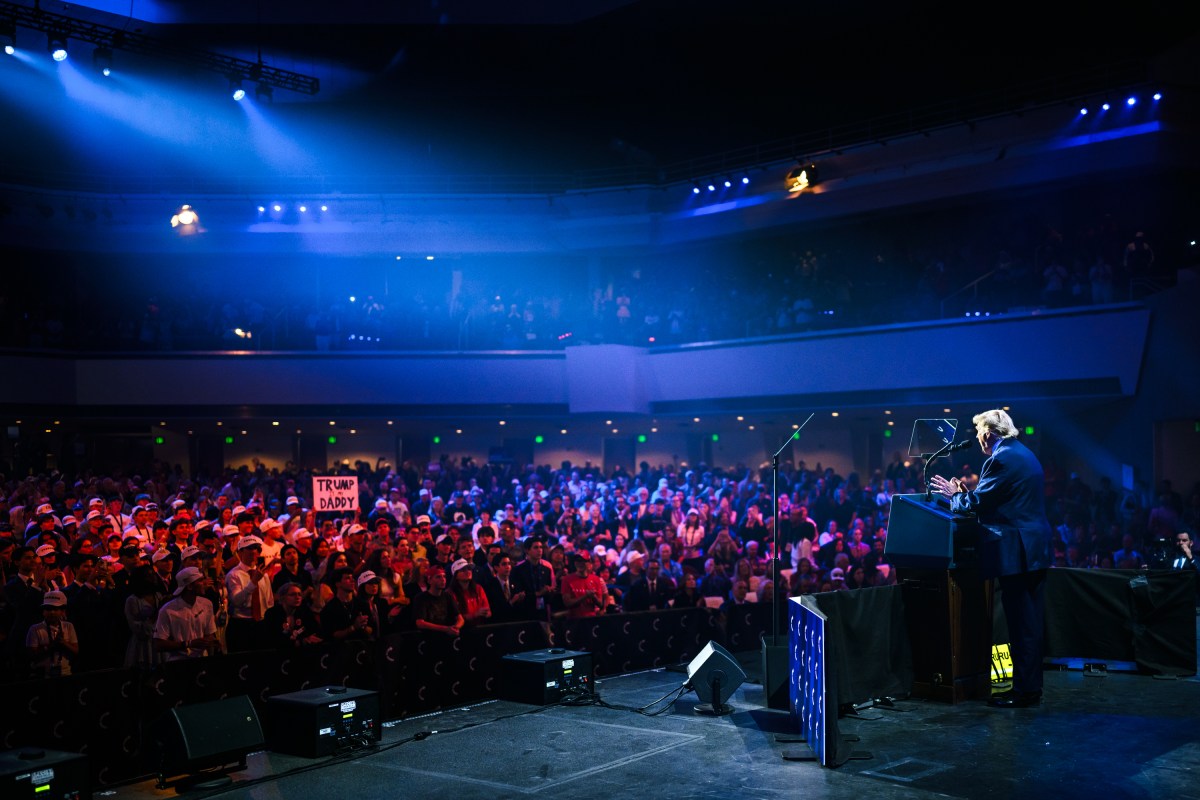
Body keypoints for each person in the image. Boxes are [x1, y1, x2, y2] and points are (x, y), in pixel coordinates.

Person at [931, 409, 1052, 709]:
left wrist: (953, 495)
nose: (976, 438)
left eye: (978, 433)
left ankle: (1025, 692)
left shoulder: (1001, 458)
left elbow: (978, 503)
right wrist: (966, 493)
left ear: (988, 434)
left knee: (1022, 623)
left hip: (1018, 551)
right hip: (1032, 548)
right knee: (1030, 623)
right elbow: (999, 499)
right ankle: (1030, 688)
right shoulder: (1022, 453)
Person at [153, 567, 218, 661]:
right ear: (189, 586)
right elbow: (158, 644)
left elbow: (210, 634)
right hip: (179, 662)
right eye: (200, 580)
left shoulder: (207, 604)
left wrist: (211, 642)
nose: (205, 583)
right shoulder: (168, 610)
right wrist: (189, 644)